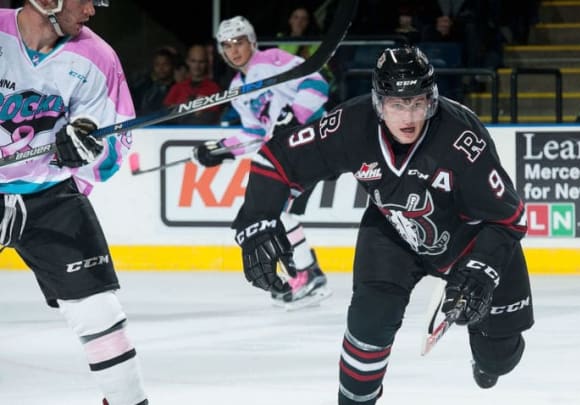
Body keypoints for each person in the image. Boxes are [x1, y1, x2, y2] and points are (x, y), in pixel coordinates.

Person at [231, 46, 534, 403]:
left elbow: (509, 217)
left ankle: (487, 361)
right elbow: (278, 158)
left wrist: (482, 269)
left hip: (471, 242)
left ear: (431, 100)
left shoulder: (461, 137)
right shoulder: (352, 125)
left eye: (417, 103)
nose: (408, 116)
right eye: (396, 104)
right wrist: (254, 221)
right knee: (368, 326)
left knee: (498, 357)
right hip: (394, 233)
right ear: (378, 103)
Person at [0, 1, 148, 405]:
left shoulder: (97, 57)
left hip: (51, 196)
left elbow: (113, 155)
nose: (92, 10)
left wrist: (86, 149)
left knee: (100, 313)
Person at [193, 15, 332, 310]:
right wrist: (221, 150)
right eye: (227, 45)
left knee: (277, 211)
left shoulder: (272, 59)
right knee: (278, 212)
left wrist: (295, 117)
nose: (234, 50)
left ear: (252, 42)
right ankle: (308, 273)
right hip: (289, 150)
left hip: (311, 138)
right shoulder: (237, 89)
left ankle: (308, 273)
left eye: (239, 42)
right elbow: (256, 133)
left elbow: (317, 83)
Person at [163, 43, 223, 125]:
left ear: (207, 63)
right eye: (193, 61)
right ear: (187, 61)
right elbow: (165, 114)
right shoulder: (177, 88)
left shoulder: (214, 88)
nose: (197, 66)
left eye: (201, 62)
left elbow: (215, 117)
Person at [128, 46, 177, 116]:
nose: (161, 68)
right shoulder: (144, 86)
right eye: (157, 64)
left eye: (165, 64)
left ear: (172, 65)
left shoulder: (177, 88)